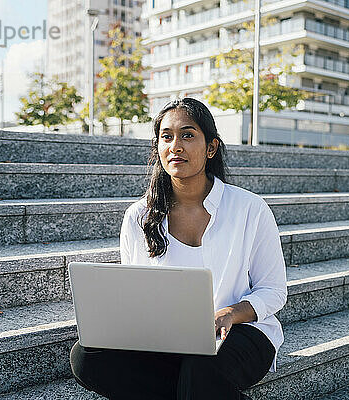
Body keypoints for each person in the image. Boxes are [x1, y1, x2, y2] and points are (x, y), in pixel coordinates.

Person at [70, 97, 287, 399]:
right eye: (167, 137)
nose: (176, 146)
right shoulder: (139, 216)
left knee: (200, 367)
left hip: (240, 333)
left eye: (188, 135)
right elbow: (133, 293)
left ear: (211, 147)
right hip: (165, 340)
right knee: (86, 357)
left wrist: (229, 314)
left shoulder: (250, 209)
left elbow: (274, 291)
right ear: (158, 147)